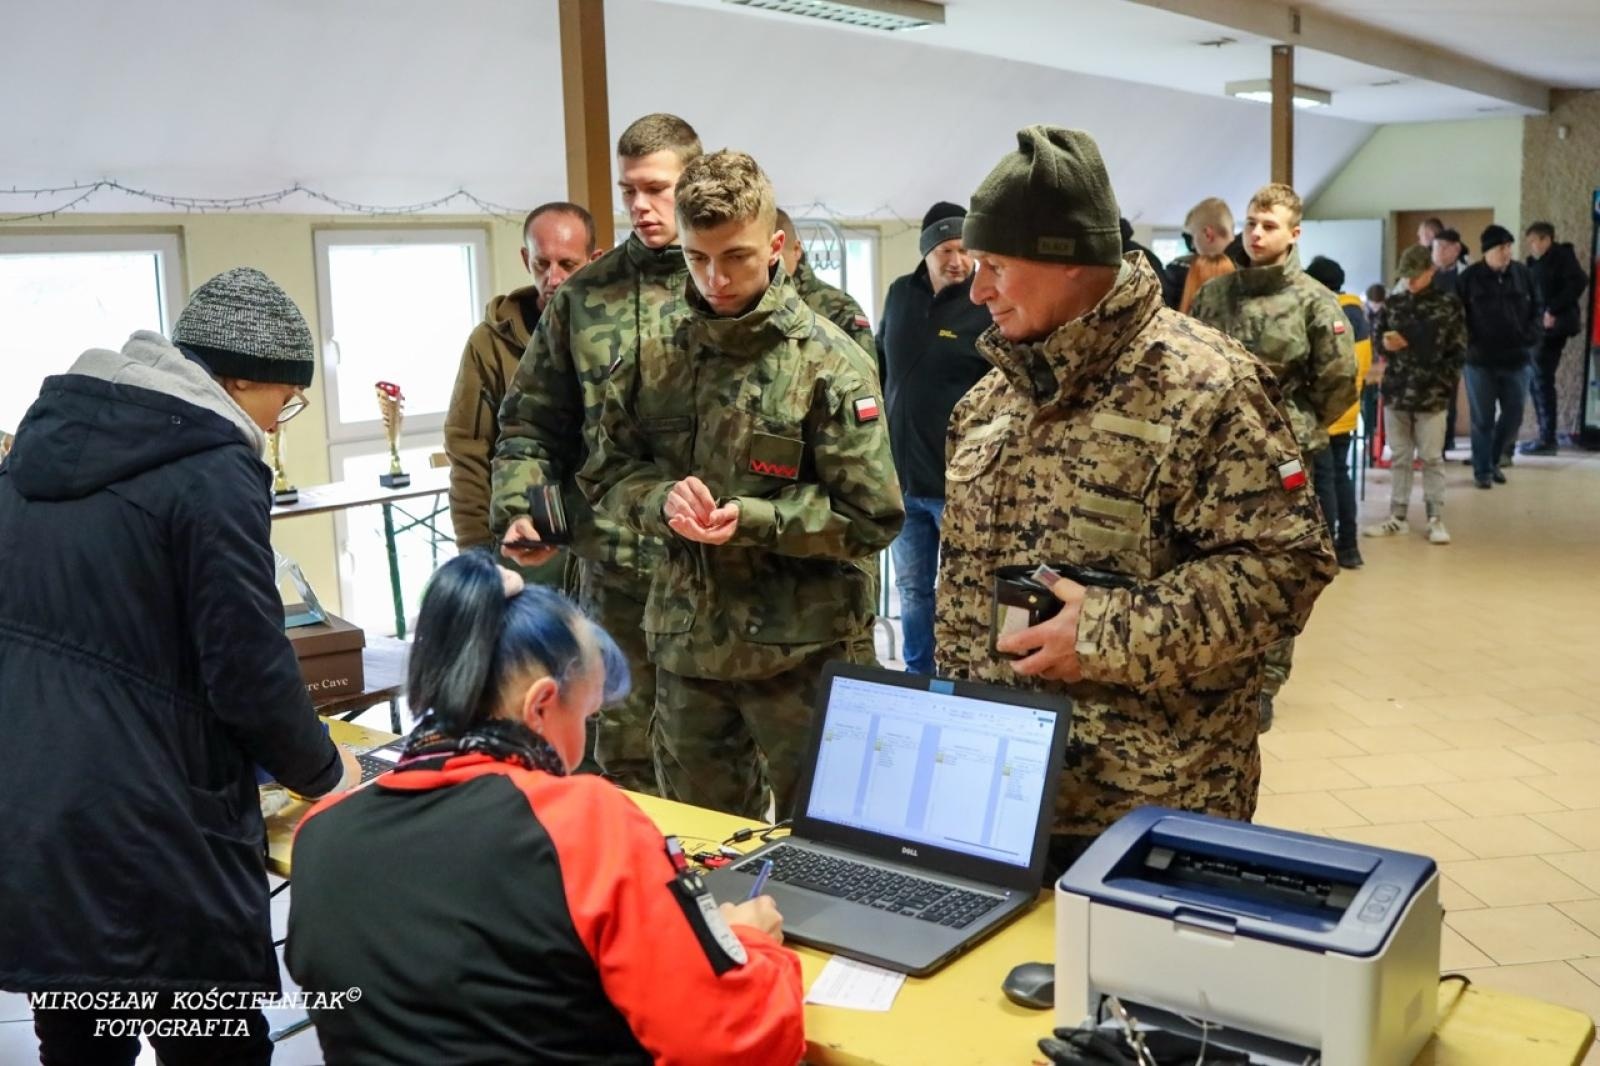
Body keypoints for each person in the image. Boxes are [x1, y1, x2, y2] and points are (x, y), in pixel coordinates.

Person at [937, 126, 1336, 881]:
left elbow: (1288, 568)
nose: (977, 289)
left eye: (996, 266)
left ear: (1069, 262)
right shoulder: (989, 400)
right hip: (1001, 799)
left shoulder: (1208, 384)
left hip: (1149, 812)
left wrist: (1109, 631)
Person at [0, 268, 362, 1065]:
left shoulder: (35, 452)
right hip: (153, 828)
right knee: (217, 1044)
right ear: (240, 381)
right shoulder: (213, 469)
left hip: (37, 812)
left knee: (81, 1040)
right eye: (285, 401)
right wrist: (328, 773)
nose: (279, 421)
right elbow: (246, 666)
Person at [287, 553, 804, 1065]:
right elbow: (728, 1043)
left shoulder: (320, 834)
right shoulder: (582, 823)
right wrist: (751, 945)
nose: (582, 747)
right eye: (586, 715)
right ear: (541, 706)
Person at [583, 150, 904, 820]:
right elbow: (608, 471)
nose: (716, 279)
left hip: (805, 656)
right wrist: (657, 499)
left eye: (736, 257)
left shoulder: (827, 362)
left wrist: (756, 517)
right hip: (689, 649)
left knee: (831, 844)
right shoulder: (654, 356)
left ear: (777, 247)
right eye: (698, 259)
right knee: (700, 846)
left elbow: (872, 516)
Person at [495, 113, 706, 796]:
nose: (642, 207)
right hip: (616, 573)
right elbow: (528, 420)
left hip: (719, 580)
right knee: (618, 759)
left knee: (712, 772)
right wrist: (522, 510)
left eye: (658, 189)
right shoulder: (586, 297)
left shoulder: (735, 288)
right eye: (629, 192)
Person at [1189, 182, 1356, 729]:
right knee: (1207, 563)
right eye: (1251, 223)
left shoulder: (1314, 302)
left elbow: (1338, 383)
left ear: (1294, 234)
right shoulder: (1215, 296)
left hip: (1284, 461)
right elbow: (1189, 369)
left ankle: (1264, 682)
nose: (1256, 234)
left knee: (1277, 571)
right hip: (1215, 458)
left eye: (1269, 226)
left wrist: (1293, 428)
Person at [444, 202, 601, 568]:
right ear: (525, 258)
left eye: (568, 264)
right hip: (525, 538)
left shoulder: (617, 336)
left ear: (594, 260)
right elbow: (468, 451)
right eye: (541, 264)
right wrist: (476, 551)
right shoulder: (489, 344)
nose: (554, 278)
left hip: (601, 546)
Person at [874, 201, 993, 675]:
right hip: (903, 483)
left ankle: (965, 676)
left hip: (960, 484)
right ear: (926, 251)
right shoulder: (900, 294)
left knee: (967, 590)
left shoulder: (984, 304)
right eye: (946, 249)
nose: (957, 260)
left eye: (965, 249)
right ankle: (918, 676)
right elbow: (881, 361)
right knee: (912, 589)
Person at [1363, 245, 1467, 545]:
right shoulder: (1394, 303)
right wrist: (1386, 345)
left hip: (1432, 394)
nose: (1409, 281)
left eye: (1415, 276)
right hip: (1396, 391)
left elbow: (1458, 351)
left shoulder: (1449, 305)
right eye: (1405, 276)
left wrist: (1444, 383)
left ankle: (1436, 518)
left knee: (1432, 458)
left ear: (1430, 272)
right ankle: (1397, 516)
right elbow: (1378, 339)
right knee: (1399, 457)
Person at [1304, 255, 1373, 568]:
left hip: (1323, 411)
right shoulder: (1357, 312)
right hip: (1348, 407)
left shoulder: (1324, 310)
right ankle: (1350, 546)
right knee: (1341, 476)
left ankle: (1327, 548)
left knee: (1324, 480)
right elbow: (1363, 363)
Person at [1458, 224, 1539, 489]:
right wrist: (1468, 342)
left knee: (1514, 414)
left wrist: (1531, 337)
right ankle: (1482, 470)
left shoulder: (1523, 274)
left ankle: (1493, 461)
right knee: (1482, 418)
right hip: (1479, 360)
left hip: (1517, 359)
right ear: (1487, 252)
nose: (1506, 253)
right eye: (1501, 248)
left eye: (1509, 247)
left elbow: (1538, 309)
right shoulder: (1469, 278)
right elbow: (1457, 317)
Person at [1522, 221, 1590, 454]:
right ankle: (1544, 435)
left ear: (1546, 239)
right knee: (1536, 380)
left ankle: (1547, 439)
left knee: (1541, 379)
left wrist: (1552, 309)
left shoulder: (1561, 255)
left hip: (1554, 327)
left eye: (1534, 241)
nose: (1531, 246)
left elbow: (1579, 281)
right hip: (1540, 327)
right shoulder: (1537, 262)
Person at [775, 208, 875, 355]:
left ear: (796, 249)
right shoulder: (743, 307)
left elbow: (866, 375)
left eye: (776, 254)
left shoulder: (841, 310)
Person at [1166, 196, 1235, 304]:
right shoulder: (1248, 268)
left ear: (1208, 234)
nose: (1193, 245)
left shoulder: (1181, 270)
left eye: (1193, 237)